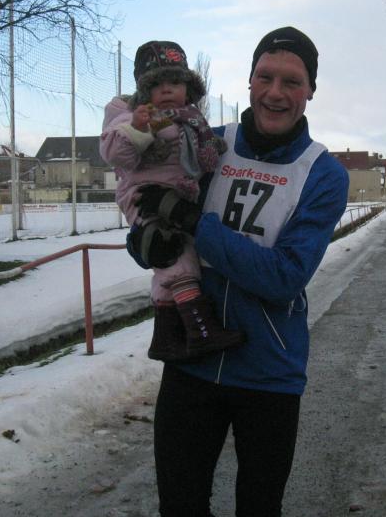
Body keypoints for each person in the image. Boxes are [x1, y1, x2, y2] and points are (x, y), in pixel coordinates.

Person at [131, 26, 349, 516]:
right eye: (265, 77)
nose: (275, 93)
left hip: (269, 372)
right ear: (249, 81)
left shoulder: (324, 174)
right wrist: (144, 242)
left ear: (311, 90)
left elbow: (285, 276)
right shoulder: (207, 143)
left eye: (292, 81)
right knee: (179, 507)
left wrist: (195, 223)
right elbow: (150, 205)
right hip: (191, 361)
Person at [100, 40, 245, 362]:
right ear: (143, 90)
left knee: (168, 260)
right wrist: (137, 129)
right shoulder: (137, 115)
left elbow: (196, 159)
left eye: (175, 82)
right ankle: (201, 330)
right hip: (146, 196)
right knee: (177, 260)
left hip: (176, 196)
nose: (167, 90)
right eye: (157, 84)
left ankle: (164, 340)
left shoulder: (189, 119)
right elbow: (116, 155)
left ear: (188, 88)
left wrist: (211, 146)